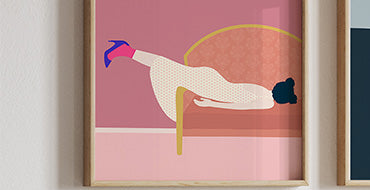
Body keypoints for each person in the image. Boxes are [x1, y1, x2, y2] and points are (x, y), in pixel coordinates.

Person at [104, 39, 296, 123]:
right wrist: (211, 104)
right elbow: (237, 107)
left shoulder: (264, 91)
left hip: (211, 80)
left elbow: (236, 98)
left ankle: (127, 50)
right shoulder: (266, 102)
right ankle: (125, 50)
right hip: (210, 86)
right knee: (175, 114)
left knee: (167, 68)